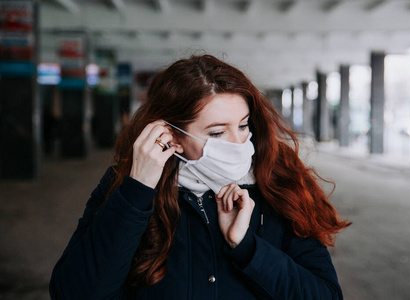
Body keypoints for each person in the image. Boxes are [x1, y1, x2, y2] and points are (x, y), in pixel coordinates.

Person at [49, 54, 350, 300]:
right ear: (172, 136)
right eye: (217, 132)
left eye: (243, 126)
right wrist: (136, 191)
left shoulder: (278, 180)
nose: (238, 143)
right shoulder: (128, 184)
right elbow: (75, 293)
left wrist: (247, 247)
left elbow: (324, 294)